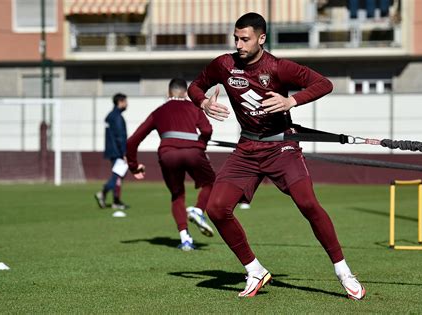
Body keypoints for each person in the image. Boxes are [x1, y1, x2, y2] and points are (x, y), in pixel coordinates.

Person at [188, 12, 366, 299]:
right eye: (235, 38)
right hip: (246, 149)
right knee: (217, 209)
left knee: (308, 204)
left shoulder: (279, 67)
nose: (239, 44)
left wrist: (291, 100)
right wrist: (203, 101)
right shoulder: (223, 64)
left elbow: (324, 83)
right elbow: (195, 86)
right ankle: (255, 270)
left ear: (261, 38)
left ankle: (343, 271)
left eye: (245, 39)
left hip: (281, 147)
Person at [126, 78, 216, 251]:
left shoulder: (158, 112)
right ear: (185, 93)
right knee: (211, 183)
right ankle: (198, 211)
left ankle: (185, 239)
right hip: (193, 152)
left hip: (168, 155)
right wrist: (201, 144)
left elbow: (132, 142)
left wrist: (133, 166)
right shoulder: (194, 107)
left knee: (177, 194)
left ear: (168, 93)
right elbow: (207, 130)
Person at [94, 93, 129, 210]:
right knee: (117, 176)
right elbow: (120, 137)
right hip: (118, 151)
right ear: (120, 102)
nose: (127, 104)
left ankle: (115, 200)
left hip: (111, 150)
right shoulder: (117, 117)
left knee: (118, 175)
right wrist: (124, 152)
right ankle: (105, 194)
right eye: (125, 101)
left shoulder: (110, 116)